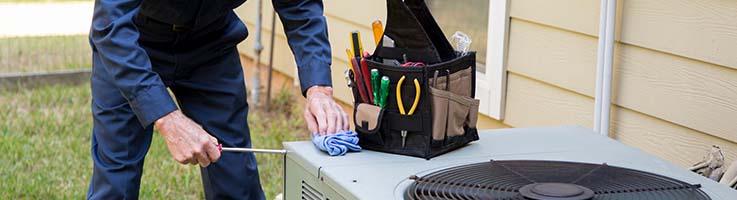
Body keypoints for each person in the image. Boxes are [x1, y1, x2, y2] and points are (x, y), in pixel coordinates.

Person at [86, 0, 348, 199]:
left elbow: (299, 4)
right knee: (117, 174)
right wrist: (167, 118)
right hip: (132, 42)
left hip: (211, 43)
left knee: (235, 176)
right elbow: (111, 25)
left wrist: (318, 88)